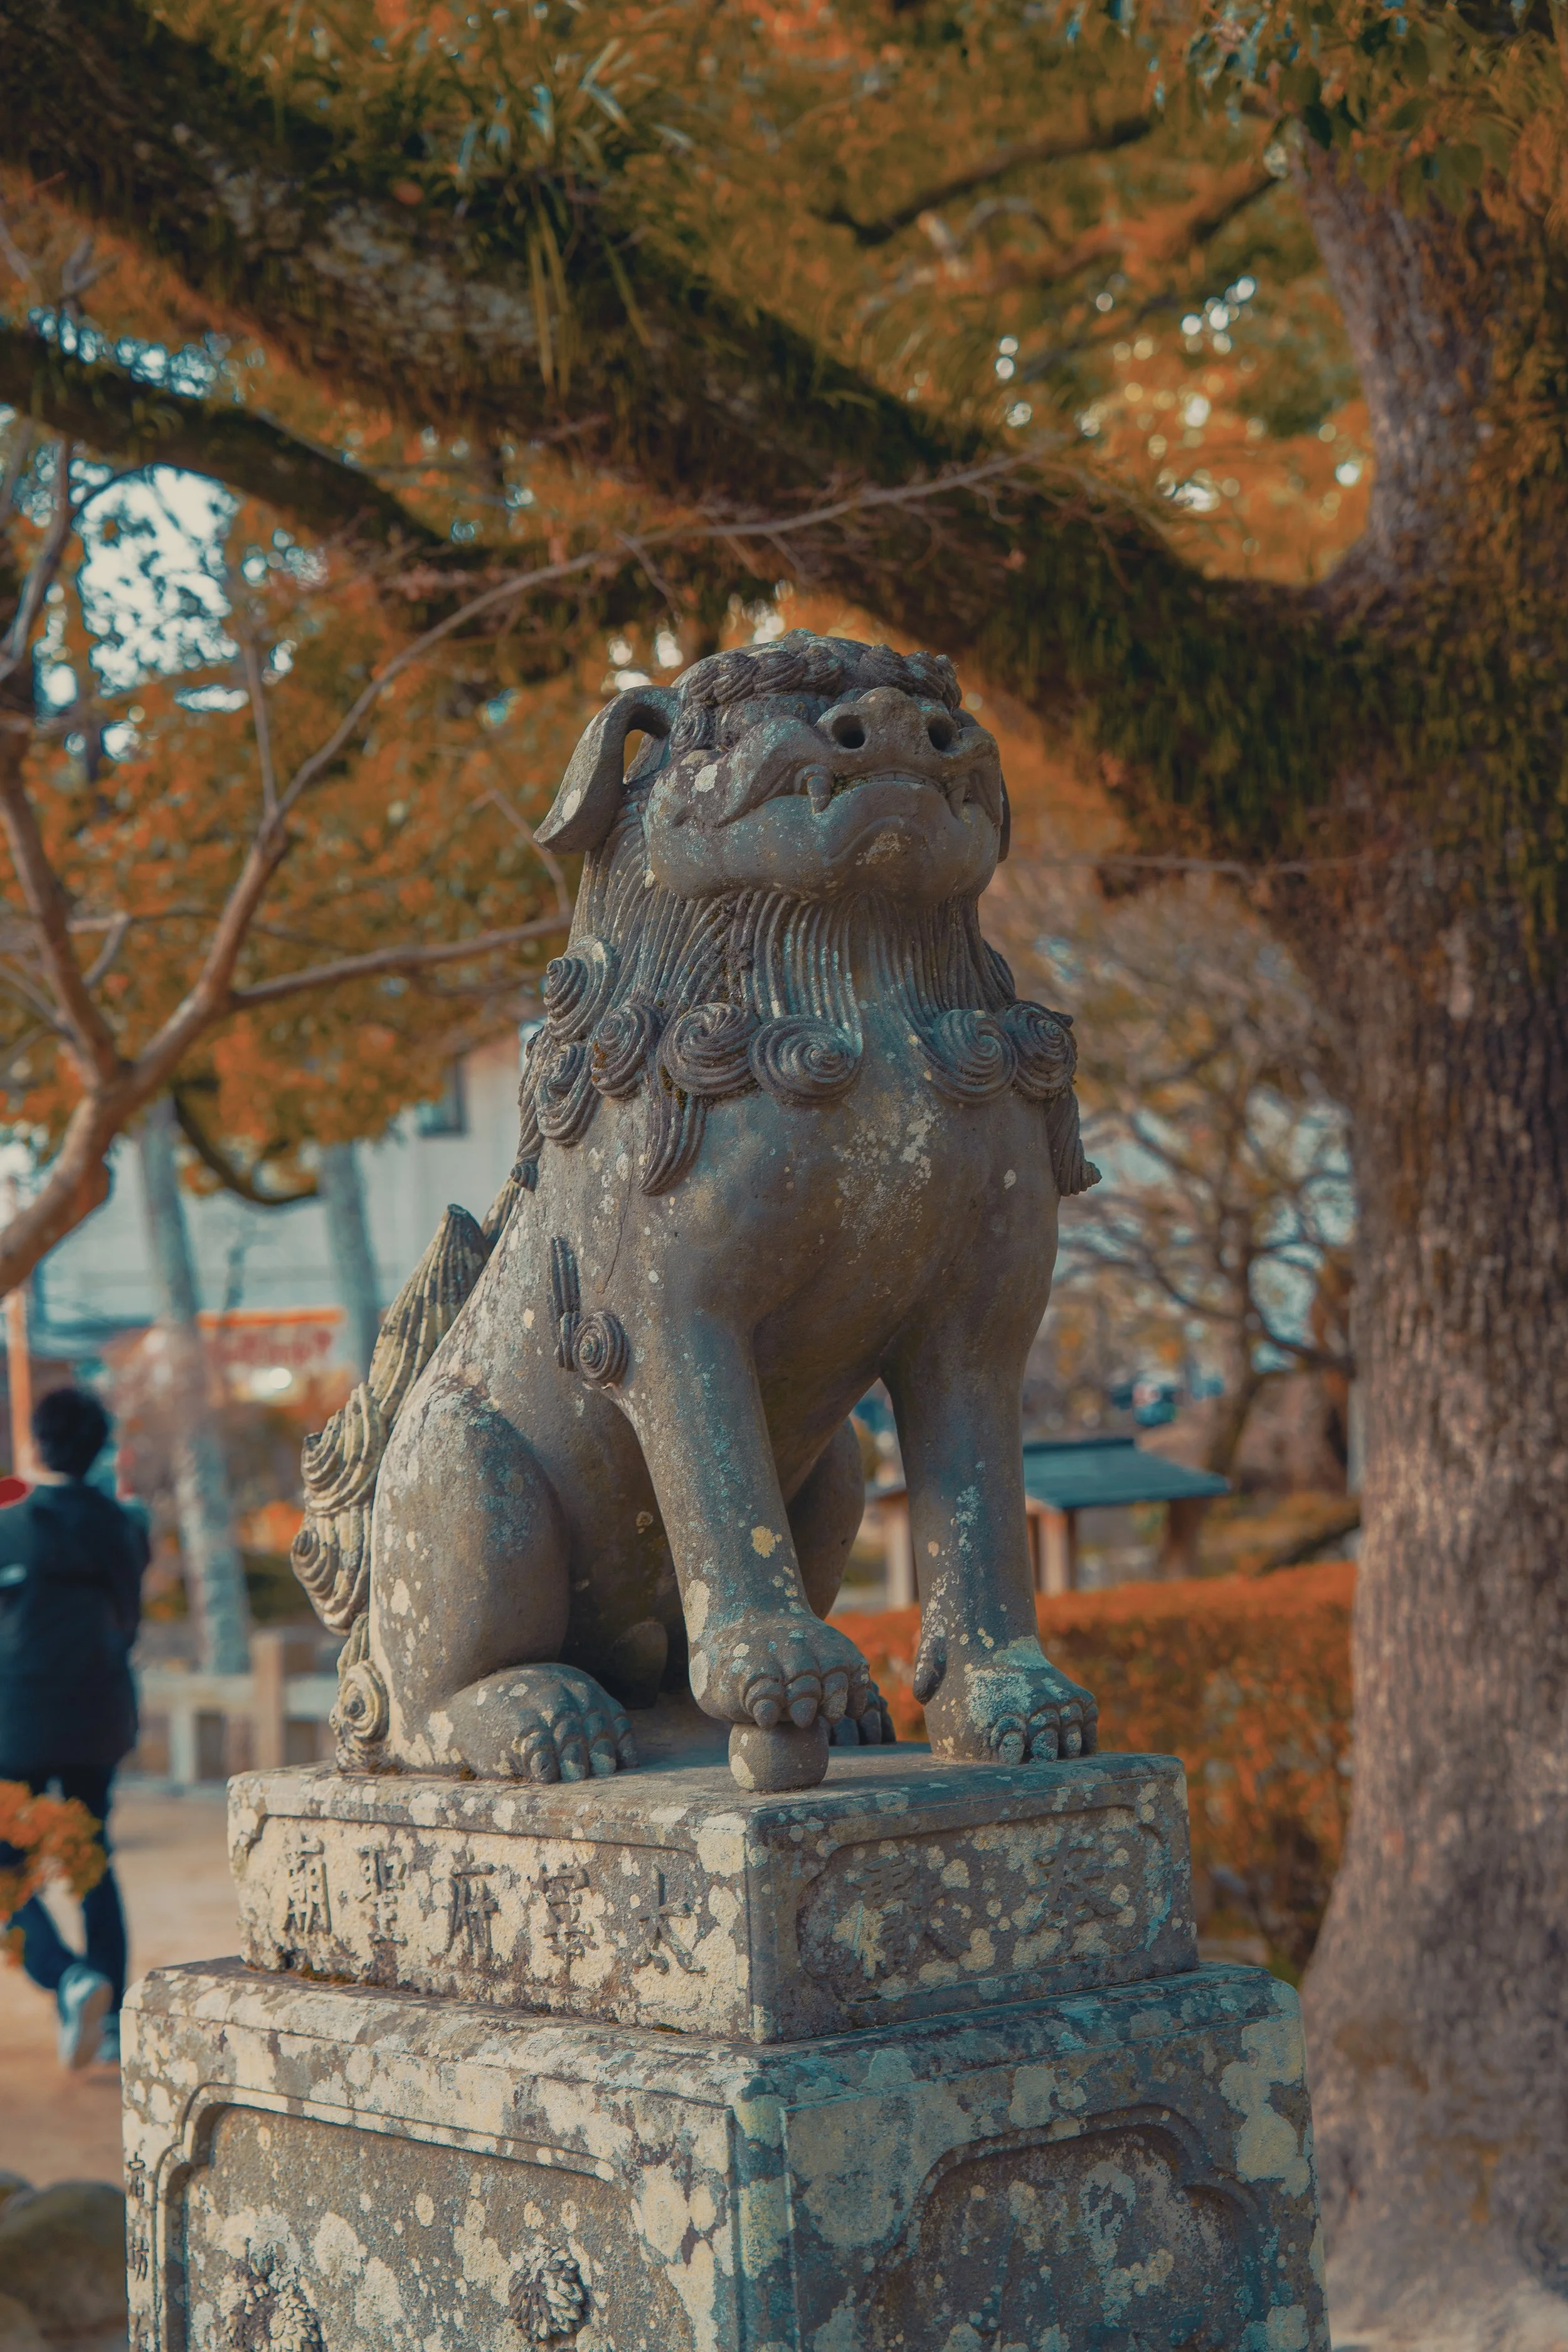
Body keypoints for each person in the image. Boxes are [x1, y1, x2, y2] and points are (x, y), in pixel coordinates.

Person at [0, 1387, 149, 2068]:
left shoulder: (10, 1526)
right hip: (99, 1713)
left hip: (19, 1719)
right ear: (98, 1446)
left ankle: (68, 1977)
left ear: (38, 1444)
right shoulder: (124, 1526)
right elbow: (128, 1619)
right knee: (92, 1855)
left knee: (6, 1869)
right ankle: (112, 2018)